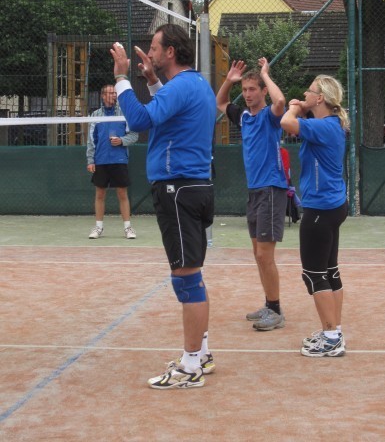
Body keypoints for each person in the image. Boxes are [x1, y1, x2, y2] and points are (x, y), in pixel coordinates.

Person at [110, 24, 216, 390]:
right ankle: (201, 354)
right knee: (193, 275)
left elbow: (140, 121)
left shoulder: (182, 86)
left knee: (186, 279)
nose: (150, 53)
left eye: (154, 48)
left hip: (178, 189)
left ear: (170, 52)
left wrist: (121, 79)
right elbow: (169, 113)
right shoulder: (196, 84)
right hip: (194, 187)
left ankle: (190, 366)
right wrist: (153, 81)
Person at [280, 75, 349, 357]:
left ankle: (331, 338)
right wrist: (302, 109)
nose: (305, 94)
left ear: (320, 98)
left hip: (321, 209)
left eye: (309, 91)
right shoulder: (330, 125)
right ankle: (334, 331)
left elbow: (286, 123)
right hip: (333, 206)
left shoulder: (323, 126)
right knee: (330, 271)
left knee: (313, 275)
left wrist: (294, 108)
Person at [216, 58, 287, 331]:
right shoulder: (244, 117)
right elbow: (220, 102)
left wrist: (266, 74)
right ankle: (269, 304)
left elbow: (280, 101)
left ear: (262, 91)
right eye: (244, 89)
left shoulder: (270, 116)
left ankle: (276, 311)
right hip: (255, 191)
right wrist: (229, 80)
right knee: (258, 253)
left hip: (271, 189)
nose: (247, 94)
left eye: (252, 89)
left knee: (264, 255)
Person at [86, 84, 138, 240]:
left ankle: (128, 228)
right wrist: (90, 160)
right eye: (110, 93)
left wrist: (121, 141)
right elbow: (91, 140)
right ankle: (98, 227)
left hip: (119, 160)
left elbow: (134, 136)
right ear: (103, 96)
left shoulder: (124, 114)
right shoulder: (95, 115)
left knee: (122, 193)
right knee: (100, 194)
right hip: (101, 160)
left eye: (115, 93)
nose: (114, 96)